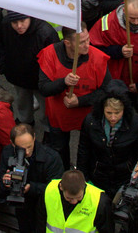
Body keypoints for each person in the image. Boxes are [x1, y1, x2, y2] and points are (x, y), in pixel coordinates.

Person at [37, 28, 113, 167]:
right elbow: (44, 88)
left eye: (88, 40)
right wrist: (63, 82)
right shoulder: (50, 54)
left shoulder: (97, 57)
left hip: (88, 116)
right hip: (58, 116)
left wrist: (80, 101)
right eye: (81, 42)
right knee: (59, 150)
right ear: (67, 43)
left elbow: (107, 91)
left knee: (87, 150)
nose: (87, 45)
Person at [77, 92, 138, 196]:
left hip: (125, 177)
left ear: (124, 110)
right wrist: (83, 177)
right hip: (98, 175)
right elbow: (84, 150)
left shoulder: (136, 124)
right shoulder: (91, 122)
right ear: (102, 110)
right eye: (109, 113)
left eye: (117, 113)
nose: (113, 117)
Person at [0, 14, 59, 124]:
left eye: (22, 21)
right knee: (22, 102)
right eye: (15, 23)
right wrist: (4, 64)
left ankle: (47, 129)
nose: (19, 26)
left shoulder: (46, 33)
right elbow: (2, 44)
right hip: (19, 76)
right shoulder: (6, 25)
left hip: (40, 81)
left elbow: (54, 61)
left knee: (46, 108)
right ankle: (25, 122)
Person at [34, 169, 113, 233]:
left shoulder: (100, 201)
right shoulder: (49, 191)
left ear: (84, 186)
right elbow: (40, 222)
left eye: (79, 197)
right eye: (69, 198)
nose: (74, 201)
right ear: (61, 187)